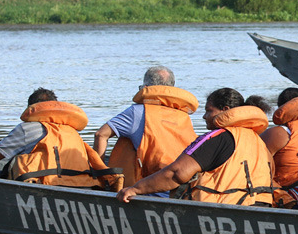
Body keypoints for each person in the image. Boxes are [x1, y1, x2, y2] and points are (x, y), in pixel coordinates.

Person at [116, 88, 275, 206]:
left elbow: (176, 173)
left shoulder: (218, 136)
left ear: (225, 111)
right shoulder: (258, 141)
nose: (204, 116)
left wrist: (135, 189)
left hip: (224, 209)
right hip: (259, 207)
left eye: (208, 111)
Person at [0, 88, 116, 188]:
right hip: (83, 185)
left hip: (47, 187)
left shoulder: (29, 128)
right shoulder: (71, 131)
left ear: (32, 109)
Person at [92, 65, 198, 196]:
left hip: (149, 190)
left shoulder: (137, 112)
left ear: (145, 88)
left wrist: (99, 173)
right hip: (182, 189)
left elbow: (100, 134)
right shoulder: (184, 116)